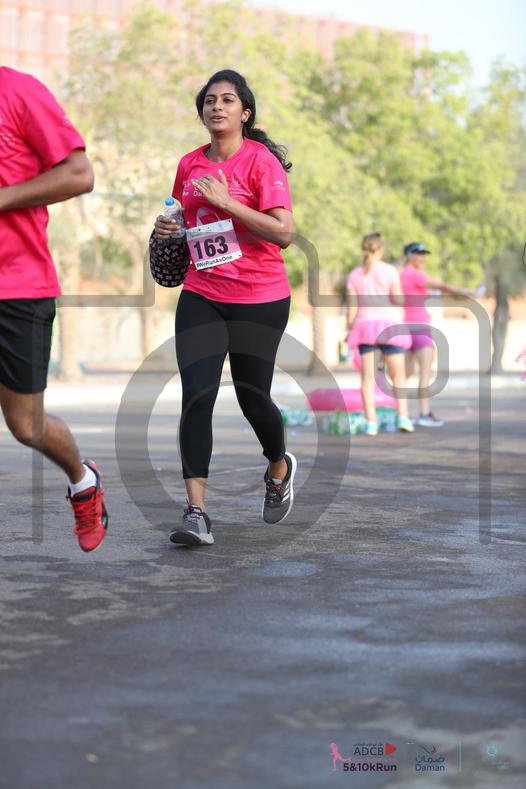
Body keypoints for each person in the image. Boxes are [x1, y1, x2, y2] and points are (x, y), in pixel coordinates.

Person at [153, 69, 296, 547]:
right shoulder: (189, 164)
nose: (217, 106)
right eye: (209, 100)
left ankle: (278, 465)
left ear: (244, 113)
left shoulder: (261, 163)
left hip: (261, 298)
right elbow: (182, 215)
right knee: (197, 395)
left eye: (228, 100)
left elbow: (283, 233)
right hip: (203, 293)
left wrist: (227, 202)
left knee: (253, 398)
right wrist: (169, 227)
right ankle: (196, 512)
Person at [0, 67, 108, 552]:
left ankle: (83, 482)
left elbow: (79, 174)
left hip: (18, 286)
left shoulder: (18, 91)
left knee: (27, 426)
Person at [400, 242, 475, 427]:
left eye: (424, 254)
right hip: (419, 328)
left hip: (405, 327)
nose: (422, 258)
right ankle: (424, 414)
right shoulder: (414, 274)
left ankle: (399, 413)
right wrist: (465, 291)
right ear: (409, 255)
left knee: (405, 374)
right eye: (418, 254)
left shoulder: (401, 274)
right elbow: (441, 285)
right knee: (425, 373)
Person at [346, 233, 414, 435]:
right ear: (381, 249)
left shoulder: (354, 275)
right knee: (398, 375)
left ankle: (371, 423)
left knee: (367, 378)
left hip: (365, 327)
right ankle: (402, 417)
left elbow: (352, 308)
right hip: (389, 325)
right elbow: (399, 299)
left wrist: (349, 329)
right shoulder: (390, 270)